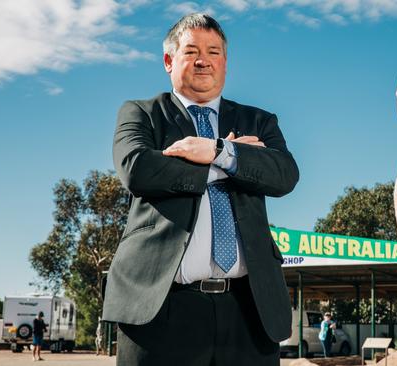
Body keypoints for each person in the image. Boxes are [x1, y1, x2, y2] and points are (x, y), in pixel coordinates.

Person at [102, 13, 299, 366]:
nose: (203, 60)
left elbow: (284, 175)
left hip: (249, 312)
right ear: (169, 61)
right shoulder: (142, 114)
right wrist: (234, 162)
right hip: (161, 310)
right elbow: (138, 169)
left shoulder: (259, 121)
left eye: (214, 51)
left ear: (225, 62)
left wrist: (217, 151)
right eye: (191, 51)